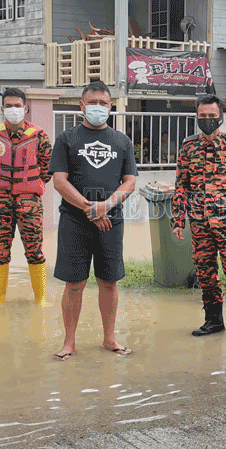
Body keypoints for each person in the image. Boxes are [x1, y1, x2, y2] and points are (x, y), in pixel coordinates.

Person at [49, 81, 139, 359]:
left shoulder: (122, 141)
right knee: (74, 283)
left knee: (108, 281)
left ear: (110, 107)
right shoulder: (67, 139)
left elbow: (130, 182)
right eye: (92, 102)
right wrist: (90, 209)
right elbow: (59, 181)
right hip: (74, 223)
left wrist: (106, 205)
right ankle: (69, 342)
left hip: (111, 222)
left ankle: (109, 338)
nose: (97, 107)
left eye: (103, 103)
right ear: (81, 105)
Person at [172, 94, 226, 342]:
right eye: (203, 116)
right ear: (197, 116)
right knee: (205, 274)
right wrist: (178, 219)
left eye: (212, 116)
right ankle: (213, 321)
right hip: (200, 225)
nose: (208, 120)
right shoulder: (188, 146)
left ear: (220, 116)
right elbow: (181, 185)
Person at [0, 87, 52, 305]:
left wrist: (29, 185)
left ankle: (41, 299)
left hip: (29, 202)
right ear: (3, 109)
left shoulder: (39, 136)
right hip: (0, 202)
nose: (13, 110)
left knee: (34, 250)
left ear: (26, 108)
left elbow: (47, 168)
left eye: (17, 106)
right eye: (9, 106)